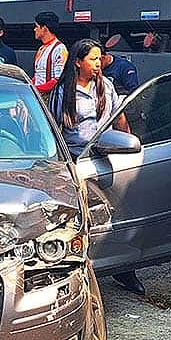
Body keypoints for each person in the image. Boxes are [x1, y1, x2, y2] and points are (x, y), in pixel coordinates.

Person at [49, 39, 143, 296]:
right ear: (78, 62)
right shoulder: (63, 92)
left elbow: (119, 118)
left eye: (99, 58)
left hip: (109, 160)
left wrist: (131, 146)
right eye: (92, 58)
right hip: (79, 163)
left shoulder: (107, 86)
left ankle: (125, 268)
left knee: (119, 216)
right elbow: (56, 128)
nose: (98, 64)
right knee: (84, 221)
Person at [32, 11, 67, 94]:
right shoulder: (42, 48)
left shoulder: (60, 49)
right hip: (39, 95)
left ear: (44, 28)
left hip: (51, 97)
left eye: (36, 26)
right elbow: (38, 75)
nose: (34, 29)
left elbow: (58, 80)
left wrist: (35, 89)